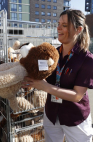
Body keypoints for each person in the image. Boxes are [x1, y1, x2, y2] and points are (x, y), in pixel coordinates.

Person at [22, 9, 93, 142]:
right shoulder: (52, 54)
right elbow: (40, 74)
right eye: (58, 23)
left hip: (75, 118)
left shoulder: (87, 59)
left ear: (78, 29)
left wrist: (45, 87)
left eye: (64, 25)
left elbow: (77, 95)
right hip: (51, 114)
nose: (58, 28)